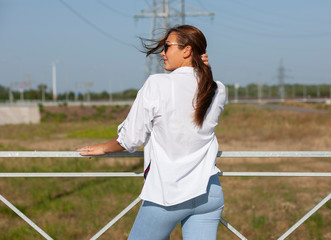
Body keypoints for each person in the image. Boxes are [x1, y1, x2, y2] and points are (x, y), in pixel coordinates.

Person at [77, 25, 226, 240]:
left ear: (187, 51)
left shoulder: (157, 84)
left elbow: (130, 139)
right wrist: (204, 68)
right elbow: (199, 91)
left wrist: (103, 148)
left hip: (168, 195)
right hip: (209, 192)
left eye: (167, 47)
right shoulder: (218, 89)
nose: (162, 54)